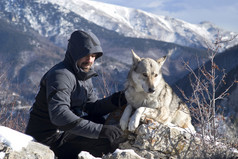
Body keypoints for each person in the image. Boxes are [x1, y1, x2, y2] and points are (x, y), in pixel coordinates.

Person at [25, 30, 127, 159]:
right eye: (86, 54)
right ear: (75, 53)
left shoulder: (82, 74)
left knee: (100, 122)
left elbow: (92, 107)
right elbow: (59, 115)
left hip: (62, 134)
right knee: (105, 140)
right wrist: (100, 131)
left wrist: (117, 99)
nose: (90, 60)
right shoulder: (61, 75)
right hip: (47, 140)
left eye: (94, 55)